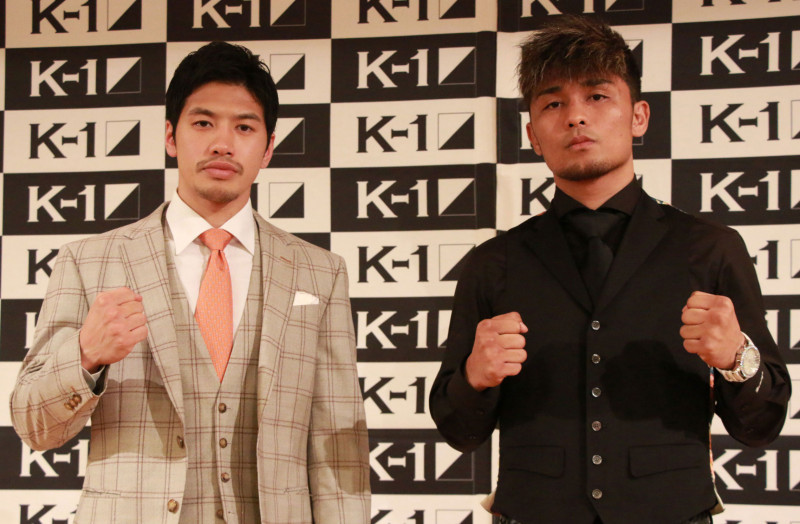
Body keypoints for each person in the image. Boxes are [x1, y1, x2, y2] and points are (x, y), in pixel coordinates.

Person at [429, 15, 790, 524]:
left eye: (597, 96)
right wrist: (475, 376)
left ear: (639, 116)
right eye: (554, 104)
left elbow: (762, 424)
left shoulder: (710, 247)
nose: (576, 117)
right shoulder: (494, 261)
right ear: (532, 135)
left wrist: (736, 357)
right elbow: (457, 431)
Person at [11, 42, 370, 523]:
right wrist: (84, 355)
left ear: (268, 148)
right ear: (171, 136)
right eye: (203, 123)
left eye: (244, 127)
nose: (223, 143)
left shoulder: (320, 272)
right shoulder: (89, 261)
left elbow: (338, 449)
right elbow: (34, 426)